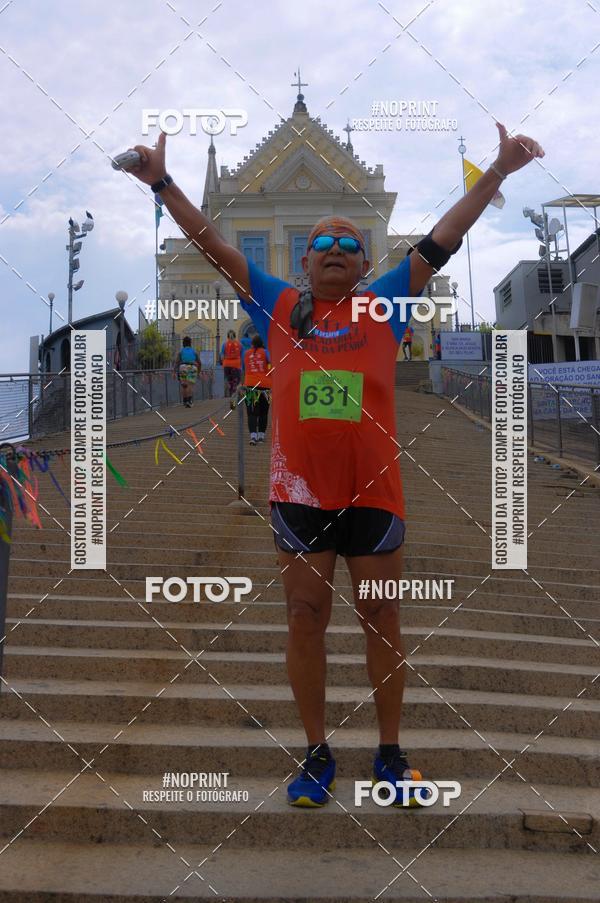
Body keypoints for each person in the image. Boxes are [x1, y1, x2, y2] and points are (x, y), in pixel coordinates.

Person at [130, 122, 544, 807]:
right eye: (321, 242)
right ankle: (317, 752)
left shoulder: (385, 305)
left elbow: (444, 237)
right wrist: (163, 184)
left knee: (382, 618)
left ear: (364, 262)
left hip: (376, 495)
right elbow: (214, 246)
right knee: (303, 615)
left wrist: (497, 172)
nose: (335, 249)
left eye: (351, 243)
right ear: (303, 261)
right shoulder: (280, 306)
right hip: (299, 495)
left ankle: (389, 751)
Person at [243, 333, 271, 445]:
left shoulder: (246, 353)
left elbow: (243, 369)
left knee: (252, 412)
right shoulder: (266, 352)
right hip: (265, 385)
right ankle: (261, 436)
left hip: (250, 385)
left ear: (252, 344)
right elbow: (271, 365)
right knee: (264, 412)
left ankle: (253, 436)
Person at [173, 336, 200, 408]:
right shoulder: (194, 351)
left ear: (183, 343)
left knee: (184, 385)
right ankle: (189, 401)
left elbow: (176, 362)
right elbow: (199, 362)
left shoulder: (181, 351)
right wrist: (199, 371)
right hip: (192, 367)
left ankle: (185, 401)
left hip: (183, 367)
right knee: (190, 385)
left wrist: (174, 372)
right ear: (190, 343)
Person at [220, 329, 243, 408]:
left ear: (227, 337)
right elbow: (242, 356)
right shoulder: (239, 344)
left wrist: (224, 363)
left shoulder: (224, 344)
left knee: (230, 384)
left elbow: (222, 356)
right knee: (237, 384)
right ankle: (236, 400)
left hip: (227, 366)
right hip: (236, 366)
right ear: (235, 336)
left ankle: (232, 400)